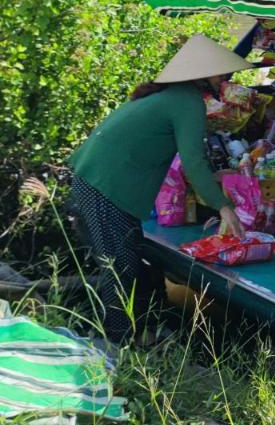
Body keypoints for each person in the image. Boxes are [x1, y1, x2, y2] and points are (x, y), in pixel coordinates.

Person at [69, 34, 251, 343]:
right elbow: (192, 162)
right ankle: (116, 345)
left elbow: (187, 158)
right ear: (202, 73)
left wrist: (213, 179)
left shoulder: (170, 97)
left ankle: (146, 335)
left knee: (138, 266)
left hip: (96, 183)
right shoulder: (187, 102)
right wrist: (223, 206)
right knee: (121, 270)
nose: (225, 77)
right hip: (104, 187)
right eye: (220, 71)